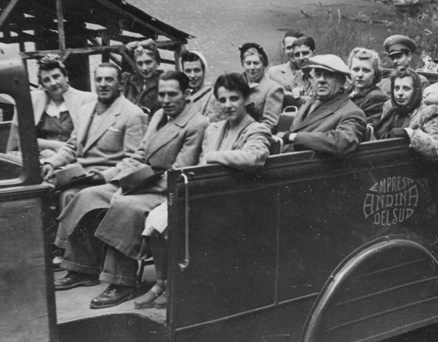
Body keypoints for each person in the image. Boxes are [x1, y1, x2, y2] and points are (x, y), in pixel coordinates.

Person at [53, 71, 209, 309]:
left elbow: (177, 173)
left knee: (125, 207)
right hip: (138, 181)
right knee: (88, 196)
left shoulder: (196, 124)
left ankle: (122, 282)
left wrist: (130, 188)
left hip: (162, 190)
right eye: (162, 94)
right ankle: (82, 268)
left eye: (172, 94)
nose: (165, 100)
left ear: (187, 94)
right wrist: (120, 179)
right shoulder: (159, 115)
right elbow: (139, 154)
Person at [134, 72, 272, 309]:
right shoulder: (214, 129)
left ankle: (176, 285)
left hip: (237, 200)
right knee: (155, 221)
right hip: (207, 195)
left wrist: (215, 156)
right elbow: (199, 167)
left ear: (246, 99)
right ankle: (160, 282)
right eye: (222, 99)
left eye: (234, 98)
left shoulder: (255, 129)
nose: (228, 105)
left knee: (172, 224)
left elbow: (255, 157)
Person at [41, 63, 147, 247]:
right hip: (81, 175)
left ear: (121, 84)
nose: (103, 84)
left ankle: (65, 251)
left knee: (70, 196)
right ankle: (59, 251)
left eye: (109, 79)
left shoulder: (132, 114)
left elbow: (134, 160)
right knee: (45, 191)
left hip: (110, 180)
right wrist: (52, 163)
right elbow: (72, 146)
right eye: (99, 80)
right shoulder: (85, 110)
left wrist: (105, 175)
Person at [7, 54, 95, 158]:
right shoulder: (32, 101)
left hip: (74, 159)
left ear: (66, 77)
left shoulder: (87, 100)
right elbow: (21, 140)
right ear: (42, 84)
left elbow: (91, 140)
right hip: (40, 158)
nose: (53, 83)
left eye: (56, 76)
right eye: (46, 80)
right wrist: (53, 145)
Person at [279, 54, 366, 155]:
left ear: (342, 81)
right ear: (312, 79)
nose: (321, 80)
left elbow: (342, 141)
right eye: (317, 74)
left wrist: (293, 137)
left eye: (329, 75)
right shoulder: (310, 102)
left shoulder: (352, 112)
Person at [374, 66, 438, 162]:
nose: (400, 93)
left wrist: (411, 133)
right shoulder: (389, 107)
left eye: (406, 89)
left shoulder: (429, 112)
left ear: (416, 91)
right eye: (396, 88)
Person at [239, 42, 284, 132]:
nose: (252, 67)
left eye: (256, 63)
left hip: (253, 134)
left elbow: (269, 124)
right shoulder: (236, 83)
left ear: (264, 64)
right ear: (243, 65)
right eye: (248, 63)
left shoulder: (273, 89)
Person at [347, 47, 389, 125]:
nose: (360, 75)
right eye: (356, 69)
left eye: (366, 70)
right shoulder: (344, 92)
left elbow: (366, 127)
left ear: (375, 74)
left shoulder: (377, 98)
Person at [122, 38, 163, 117]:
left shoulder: (164, 82)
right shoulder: (130, 81)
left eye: (148, 62)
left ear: (157, 62)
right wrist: (138, 44)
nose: (144, 68)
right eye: (140, 63)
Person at [181, 50, 221, 121]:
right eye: (188, 71)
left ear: (204, 71)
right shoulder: (182, 95)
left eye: (197, 70)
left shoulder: (213, 96)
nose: (192, 75)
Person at [290, 36, 317, 102]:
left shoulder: (324, 75)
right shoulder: (292, 79)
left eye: (305, 53)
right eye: (297, 55)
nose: (301, 58)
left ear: (314, 54)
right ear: (293, 58)